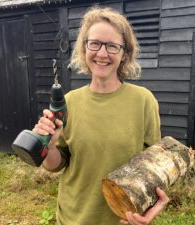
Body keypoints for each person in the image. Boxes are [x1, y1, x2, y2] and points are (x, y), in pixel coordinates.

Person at [33, 6, 169, 225]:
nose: (102, 53)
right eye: (94, 43)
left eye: (112, 46)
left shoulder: (143, 101)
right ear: (84, 48)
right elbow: (55, 165)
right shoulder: (69, 102)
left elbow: (155, 168)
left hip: (123, 219)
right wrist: (49, 145)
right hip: (72, 218)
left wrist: (153, 208)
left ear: (125, 53)